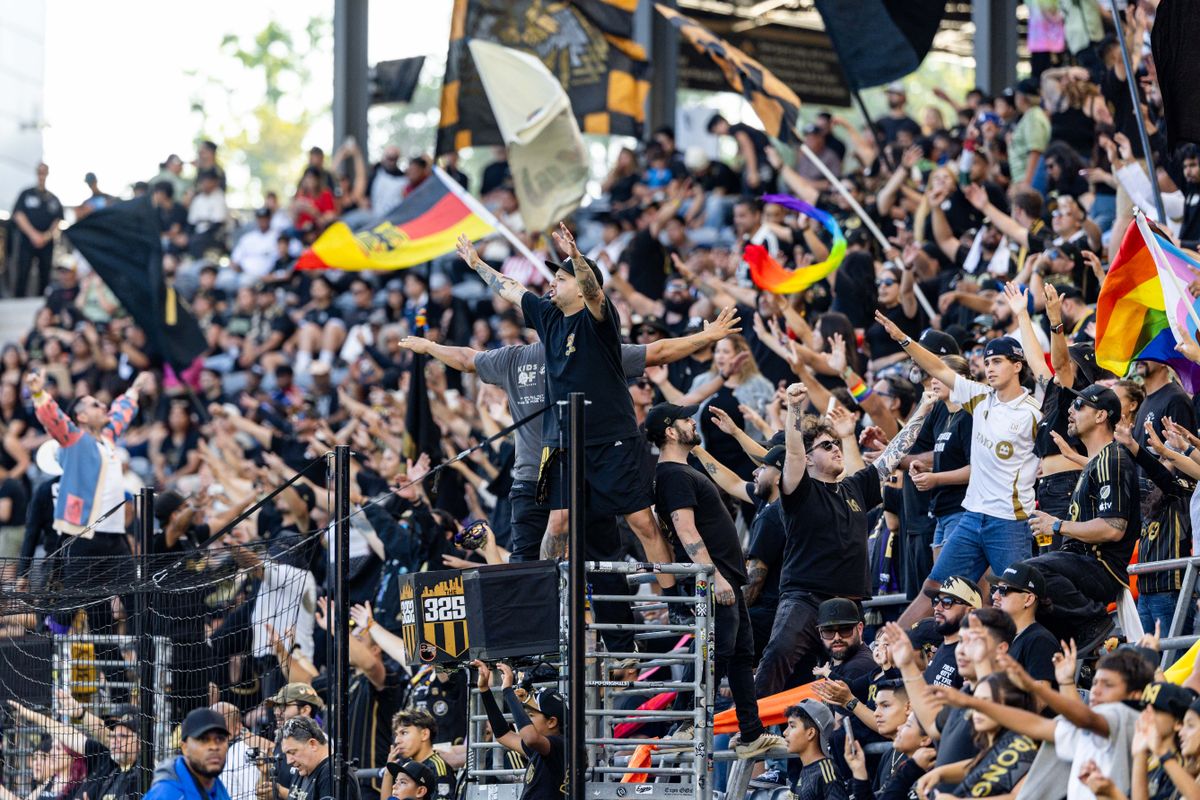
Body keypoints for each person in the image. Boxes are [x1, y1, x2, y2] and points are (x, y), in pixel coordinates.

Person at [453, 226, 674, 587]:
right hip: (566, 441)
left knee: (641, 522)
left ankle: (674, 601)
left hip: (610, 437)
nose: (551, 283)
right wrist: (478, 264)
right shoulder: (548, 316)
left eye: (560, 277)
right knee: (558, 523)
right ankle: (541, 599)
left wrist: (576, 256)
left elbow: (595, 293)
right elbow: (512, 288)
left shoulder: (598, 321)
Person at [755, 383, 936, 698]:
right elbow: (794, 451)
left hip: (850, 604)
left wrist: (923, 407)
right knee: (778, 656)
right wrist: (795, 410)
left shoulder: (854, 487)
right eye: (827, 446)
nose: (836, 448)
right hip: (805, 598)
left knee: (857, 673)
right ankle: (751, 731)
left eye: (836, 443)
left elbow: (895, 453)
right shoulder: (799, 490)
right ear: (808, 460)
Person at [877, 316, 1042, 627]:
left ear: (1018, 365)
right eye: (986, 361)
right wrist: (903, 339)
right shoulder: (980, 398)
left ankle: (1033, 660)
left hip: (1009, 519)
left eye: (997, 361)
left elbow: (1051, 458)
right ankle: (891, 644)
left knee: (1018, 599)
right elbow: (938, 367)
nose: (989, 367)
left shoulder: (1033, 411)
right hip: (971, 515)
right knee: (935, 588)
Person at [647, 401, 787, 758]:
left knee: (740, 655)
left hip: (725, 579)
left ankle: (751, 732)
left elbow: (735, 485)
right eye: (685, 420)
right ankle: (685, 724)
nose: (693, 423)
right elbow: (685, 528)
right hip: (713, 580)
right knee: (714, 654)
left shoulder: (684, 468)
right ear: (669, 432)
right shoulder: (673, 474)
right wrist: (714, 578)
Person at [933, 648, 1154, 800]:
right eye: (1095, 682)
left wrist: (1033, 686)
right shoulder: (1088, 729)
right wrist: (975, 704)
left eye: (1108, 685)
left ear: (1134, 695)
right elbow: (1036, 725)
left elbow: (1085, 717)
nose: (1095, 690)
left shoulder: (1128, 717)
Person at [1025, 384, 1139, 646]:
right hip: (1079, 564)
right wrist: (1072, 457)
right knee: (1021, 591)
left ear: (1101, 416)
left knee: (1032, 571)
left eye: (1079, 405)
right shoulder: (1099, 462)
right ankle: (1073, 653)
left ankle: (1093, 622)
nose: (1070, 410)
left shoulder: (1113, 458)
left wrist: (1057, 525)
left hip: (1100, 568)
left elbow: (1113, 528)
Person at [473, 661, 566, 799]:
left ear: (551, 722)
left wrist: (508, 691)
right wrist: (485, 690)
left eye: (531, 716)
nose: (526, 722)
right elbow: (503, 735)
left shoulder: (562, 745)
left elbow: (530, 738)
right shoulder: (542, 748)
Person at [991, 563, 1061, 686]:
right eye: (994, 589)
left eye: (1003, 590)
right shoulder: (1003, 637)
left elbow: (1039, 701)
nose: (995, 596)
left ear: (1028, 599)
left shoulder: (1040, 641)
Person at [144, 708, 231, 800]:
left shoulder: (214, 783)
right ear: (185, 747)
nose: (214, 747)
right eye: (203, 740)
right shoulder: (167, 794)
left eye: (220, 739)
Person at [9, 163, 63, 297]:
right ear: (36, 173)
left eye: (44, 172)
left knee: (45, 273)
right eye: (40, 172)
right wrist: (33, 235)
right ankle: (18, 299)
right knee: (23, 271)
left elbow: (58, 221)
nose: (42, 175)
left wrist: (46, 237)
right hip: (27, 241)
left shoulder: (53, 198)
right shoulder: (26, 194)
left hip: (46, 242)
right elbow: (18, 215)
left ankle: (42, 302)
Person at [265, 684, 325, 798]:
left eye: (283, 706)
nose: (277, 712)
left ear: (305, 710)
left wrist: (280, 792)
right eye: (276, 707)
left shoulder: (323, 745)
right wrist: (265, 773)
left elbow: (312, 795)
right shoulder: (282, 741)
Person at [280, 716, 361, 800]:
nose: (288, 761)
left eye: (292, 752)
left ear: (313, 744)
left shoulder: (331, 774)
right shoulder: (303, 768)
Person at [781, 701, 850, 800]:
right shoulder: (806, 768)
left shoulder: (827, 771)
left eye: (792, 726)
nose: (785, 732)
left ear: (810, 733)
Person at [383, 710, 455, 799]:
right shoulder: (405, 764)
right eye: (396, 734)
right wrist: (388, 773)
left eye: (404, 733)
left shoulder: (439, 768)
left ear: (424, 734)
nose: (397, 740)